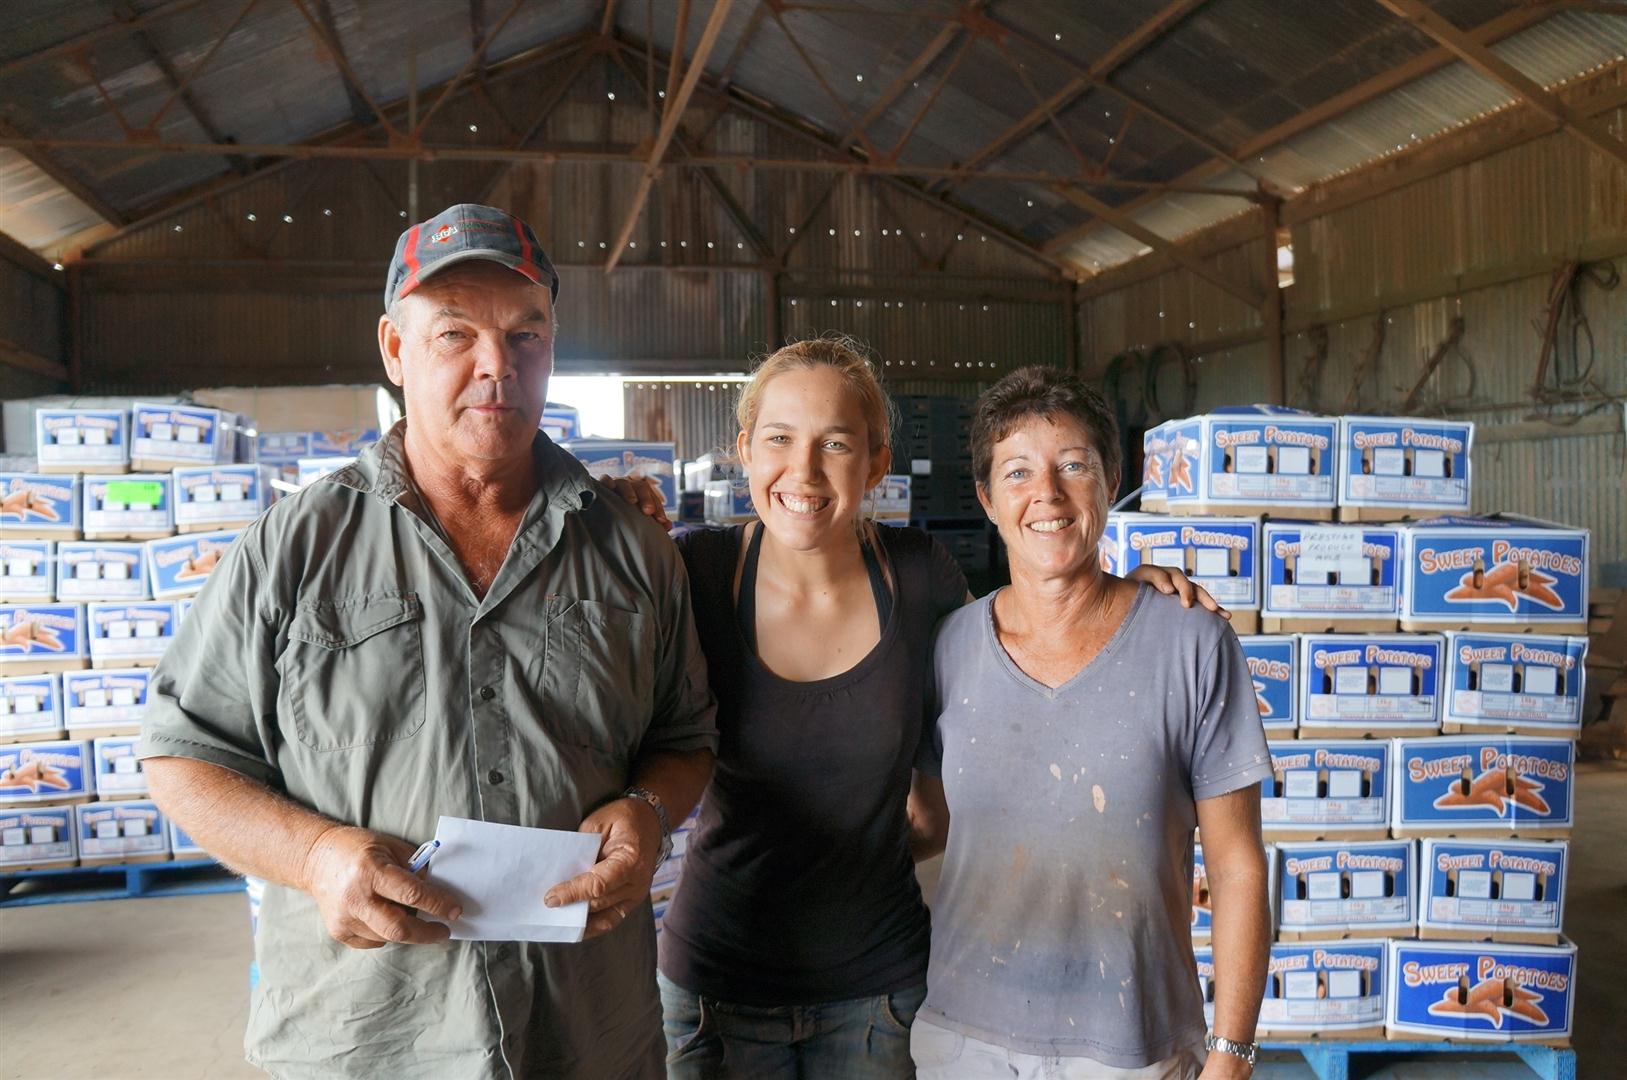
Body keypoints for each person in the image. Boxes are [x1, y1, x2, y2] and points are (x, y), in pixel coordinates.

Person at [137, 204, 717, 1080]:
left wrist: (645, 809)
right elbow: (182, 756)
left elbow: (685, 738)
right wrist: (316, 854)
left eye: (528, 334)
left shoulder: (631, 546)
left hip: (584, 1031)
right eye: (455, 335)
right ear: (394, 350)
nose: (497, 366)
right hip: (366, 1036)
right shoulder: (296, 546)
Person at [601, 339, 1226, 1080]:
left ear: (874, 463)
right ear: (743, 449)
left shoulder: (918, 577)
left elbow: (1028, 649)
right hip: (714, 986)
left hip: (878, 995)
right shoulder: (694, 571)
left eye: (834, 444)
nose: (802, 472)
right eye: (778, 439)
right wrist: (604, 508)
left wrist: (1129, 594)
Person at [908, 366, 1272, 1080]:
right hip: (964, 1041)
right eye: (1016, 472)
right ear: (985, 498)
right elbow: (924, 822)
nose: (1046, 493)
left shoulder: (1190, 643)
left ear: (1109, 484)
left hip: (1133, 1043)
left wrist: (1231, 1054)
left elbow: (1235, 867)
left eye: (1073, 465)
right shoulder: (947, 649)